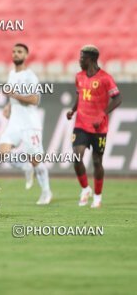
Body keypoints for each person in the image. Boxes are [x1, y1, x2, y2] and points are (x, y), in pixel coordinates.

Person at [66, 45, 122, 208]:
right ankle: (85, 189)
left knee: (97, 162)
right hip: (81, 124)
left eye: (82, 57)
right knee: (77, 156)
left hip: (99, 128)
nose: (79, 60)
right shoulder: (79, 76)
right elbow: (80, 96)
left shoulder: (105, 78)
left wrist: (102, 114)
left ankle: (97, 196)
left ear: (91, 59)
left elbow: (118, 99)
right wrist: (73, 109)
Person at [0, 43, 52, 205]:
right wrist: (8, 106)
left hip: (30, 123)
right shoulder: (12, 74)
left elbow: (35, 99)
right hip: (15, 121)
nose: (15, 54)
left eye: (19, 52)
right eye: (14, 51)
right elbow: (13, 97)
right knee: (2, 152)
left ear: (26, 55)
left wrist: (13, 95)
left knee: (36, 159)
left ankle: (46, 192)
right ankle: (25, 167)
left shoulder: (30, 76)